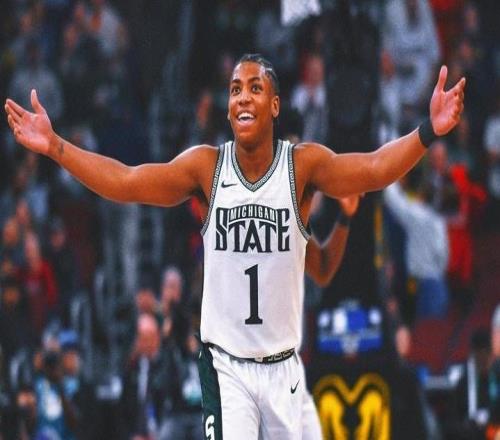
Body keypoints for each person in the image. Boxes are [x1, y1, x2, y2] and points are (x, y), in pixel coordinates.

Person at [5, 53, 465, 439]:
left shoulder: (302, 166)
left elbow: (374, 168)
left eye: (254, 88)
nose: (242, 96)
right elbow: (126, 181)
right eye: (234, 89)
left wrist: (428, 130)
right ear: (228, 109)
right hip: (227, 368)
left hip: (283, 366)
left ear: (275, 105)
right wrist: (56, 146)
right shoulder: (206, 168)